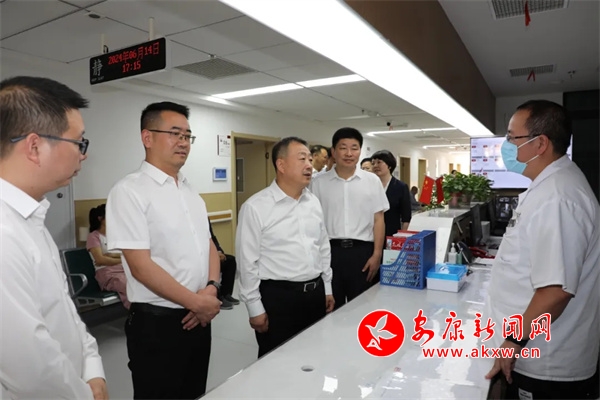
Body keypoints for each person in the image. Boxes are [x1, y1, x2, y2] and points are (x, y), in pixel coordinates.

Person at [484, 100, 600, 399]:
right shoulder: (550, 187)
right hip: (535, 352)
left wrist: (513, 341)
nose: (506, 146)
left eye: (512, 137)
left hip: (546, 362)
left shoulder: (558, 197)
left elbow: (555, 291)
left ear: (540, 144)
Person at [0, 76, 107, 399]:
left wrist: (93, 370)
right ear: (34, 147)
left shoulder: (32, 219)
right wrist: (84, 395)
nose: (83, 155)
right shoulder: (4, 232)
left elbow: (65, 311)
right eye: (78, 143)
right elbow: (30, 369)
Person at [106, 101, 221, 399]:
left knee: (194, 391)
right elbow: (140, 267)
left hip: (199, 316)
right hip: (158, 323)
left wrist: (211, 288)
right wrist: (197, 302)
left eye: (187, 136)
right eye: (175, 133)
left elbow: (208, 243)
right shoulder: (129, 191)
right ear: (147, 137)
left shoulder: (190, 191)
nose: (183, 142)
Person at [237, 136, 334, 358]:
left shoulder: (313, 202)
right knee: (276, 362)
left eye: (310, 159)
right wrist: (254, 307)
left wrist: (327, 287)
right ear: (281, 165)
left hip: (315, 294)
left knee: (314, 358)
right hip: (279, 299)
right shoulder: (256, 207)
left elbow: (322, 246)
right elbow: (246, 262)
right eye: (302, 159)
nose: (309, 165)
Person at [310, 128, 389, 309]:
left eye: (354, 148)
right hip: (330, 253)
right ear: (333, 151)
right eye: (343, 148)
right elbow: (312, 222)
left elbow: (379, 220)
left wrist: (377, 254)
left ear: (360, 151)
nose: (349, 153)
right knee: (330, 308)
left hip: (362, 254)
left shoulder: (372, 181)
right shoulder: (318, 183)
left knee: (362, 309)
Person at [86, 204, 130, 309]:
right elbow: (100, 260)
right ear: (100, 218)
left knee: (141, 282)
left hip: (125, 270)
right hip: (107, 273)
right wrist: (123, 259)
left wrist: (113, 256)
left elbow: (128, 254)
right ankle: (135, 313)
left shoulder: (116, 234)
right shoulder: (94, 236)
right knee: (128, 285)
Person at [371, 150, 412, 237]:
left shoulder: (400, 187)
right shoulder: (369, 185)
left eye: (379, 162)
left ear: (389, 165)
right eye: (373, 163)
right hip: (370, 234)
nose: (375, 166)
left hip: (391, 234)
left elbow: (406, 217)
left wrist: (401, 237)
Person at [208, 218, 239, 310]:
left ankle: (226, 294)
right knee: (213, 265)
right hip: (202, 256)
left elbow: (212, 237)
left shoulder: (204, 218)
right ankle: (218, 297)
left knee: (230, 260)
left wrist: (219, 251)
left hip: (212, 252)